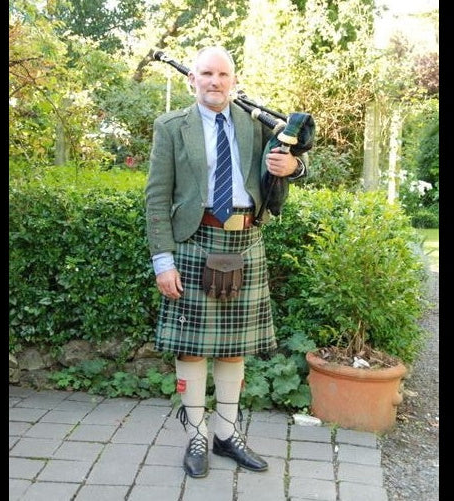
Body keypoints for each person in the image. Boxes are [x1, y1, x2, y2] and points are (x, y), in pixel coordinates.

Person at [145, 46, 308, 478]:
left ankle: (227, 433)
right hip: (193, 241)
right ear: (191, 79)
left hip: (246, 239)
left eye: (222, 74)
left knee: (234, 350)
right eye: (206, 74)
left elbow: (296, 161)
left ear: (233, 80)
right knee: (192, 349)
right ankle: (197, 434)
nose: (214, 82)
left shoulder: (256, 124)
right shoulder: (171, 127)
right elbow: (157, 198)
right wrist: (163, 260)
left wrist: (292, 167)